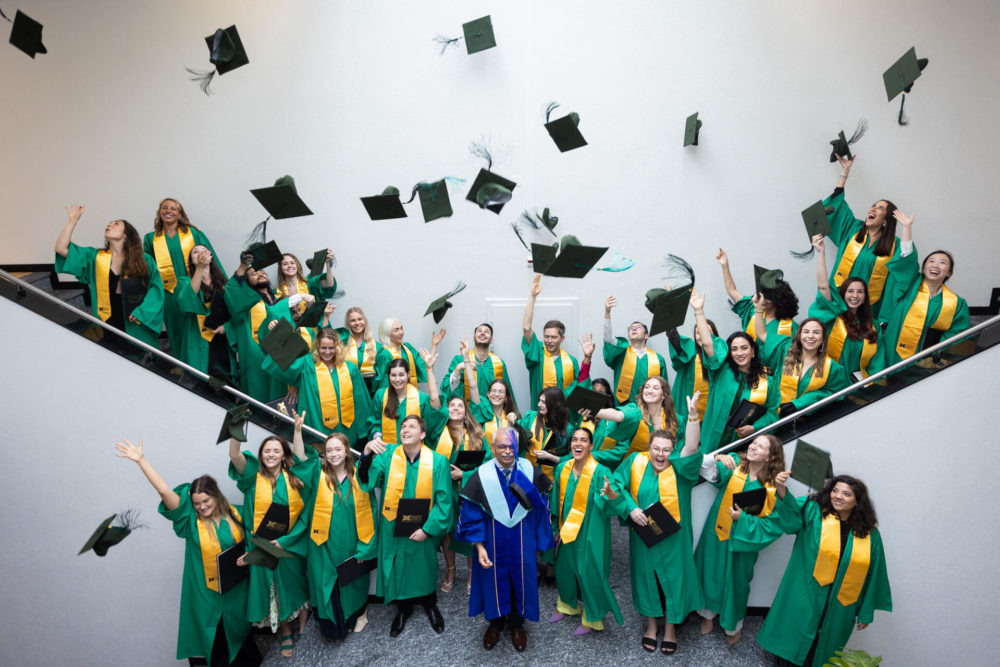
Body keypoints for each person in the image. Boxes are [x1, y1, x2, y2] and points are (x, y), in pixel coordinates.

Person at [115, 439, 261, 666]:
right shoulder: (191, 524)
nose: (202, 507)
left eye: (206, 500)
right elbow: (163, 490)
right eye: (196, 503)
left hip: (237, 592)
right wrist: (141, 460)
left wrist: (251, 557)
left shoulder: (237, 514)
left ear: (216, 495)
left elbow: (257, 543)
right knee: (214, 644)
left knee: (241, 641)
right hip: (206, 595)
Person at [757, 475, 892, 666]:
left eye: (846, 494)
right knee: (792, 649)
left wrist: (865, 612)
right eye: (835, 491)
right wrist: (780, 489)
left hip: (840, 605)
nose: (838, 496)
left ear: (857, 501)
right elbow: (791, 519)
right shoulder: (814, 512)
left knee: (821, 653)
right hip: (807, 594)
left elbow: (874, 574)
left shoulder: (870, 535)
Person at [613, 394, 704, 654]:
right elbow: (617, 485)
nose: (660, 454)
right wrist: (631, 509)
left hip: (673, 539)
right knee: (646, 580)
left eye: (666, 450)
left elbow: (692, 447)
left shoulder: (681, 470)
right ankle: (651, 626)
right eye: (656, 449)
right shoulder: (635, 462)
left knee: (674, 581)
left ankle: (672, 630)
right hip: (644, 537)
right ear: (649, 448)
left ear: (672, 451)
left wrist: (694, 416)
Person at [456, 426, 555, 652]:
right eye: (502, 446)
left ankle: (518, 625)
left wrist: (539, 544)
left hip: (523, 540)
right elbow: (471, 515)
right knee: (493, 581)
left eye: (511, 446)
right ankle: (496, 623)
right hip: (492, 542)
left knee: (522, 581)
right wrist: (479, 547)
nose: (507, 451)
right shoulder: (481, 476)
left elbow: (541, 511)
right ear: (492, 448)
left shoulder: (530, 471)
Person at [358, 415, 453, 636]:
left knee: (424, 568)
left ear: (422, 434)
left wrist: (427, 530)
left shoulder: (438, 461)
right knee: (398, 568)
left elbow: (444, 503)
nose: (405, 430)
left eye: (411, 427)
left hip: (423, 528)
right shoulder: (389, 455)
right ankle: (403, 609)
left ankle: (430, 605)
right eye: (403, 427)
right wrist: (366, 453)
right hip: (394, 529)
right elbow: (366, 477)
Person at [695, 434, 791, 646]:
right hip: (717, 533)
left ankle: (732, 625)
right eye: (753, 442)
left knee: (736, 584)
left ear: (770, 457)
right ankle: (707, 616)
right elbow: (700, 465)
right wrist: (718, 457)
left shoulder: (773, 487)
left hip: (743, 543)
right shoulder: (735, 466)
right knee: (710, 573)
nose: (753, 446)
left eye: (761, 446)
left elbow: (775, 525)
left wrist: (743, 520)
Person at [228, 429, 311, 658]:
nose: (271, 454)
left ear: (284, 455)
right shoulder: (253, 478)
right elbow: (235, 455)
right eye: (267, 451)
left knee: (295, 584)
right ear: (261, 455)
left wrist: (285, 541)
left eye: (276, 450)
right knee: (273, 587)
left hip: (289, 544)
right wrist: (235, 429)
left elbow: (305, 515)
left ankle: (303, 621)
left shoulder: (295, 478)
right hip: (262, 546)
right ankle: (285, 630)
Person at [300, 430, 377, 640]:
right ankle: (333, 627)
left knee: (352, 584)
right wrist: (298, 432)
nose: (333, 454)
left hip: (352, 543)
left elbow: (370, 511)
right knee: (327, 584)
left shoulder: (359, 477)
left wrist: (365, 547)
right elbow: (301, 459)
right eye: (329, 450)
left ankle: (356, 617)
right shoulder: (319, 474)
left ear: (346, 451)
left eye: (337, 449)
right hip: (323, 544)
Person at [548, 427, 626, 635]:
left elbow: (614, 505)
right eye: (574, 440)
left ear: (592, 446)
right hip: (566, 529)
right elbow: (556, 501)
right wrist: (555, 526)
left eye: (583, 440)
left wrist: (610, 493)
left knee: (589, 572)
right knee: (564, 569)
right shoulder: (562, 468)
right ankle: (567, 604)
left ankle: (592, 616)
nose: (578, 444)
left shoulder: (601, 472)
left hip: (591, 532)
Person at [54, 205, 164, 348]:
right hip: (106, 323)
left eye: (116, 224)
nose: (110, 225)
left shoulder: (144, 259)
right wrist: (72, 221)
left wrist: (142, 312)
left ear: (126, 234)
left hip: (134, 321)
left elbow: (156, 289)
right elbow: (61, 249)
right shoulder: (95, 257)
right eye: (109, 224)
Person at [692, 289, 780, 452]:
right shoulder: (720, 371)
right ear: (729, 353)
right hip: (713, 441)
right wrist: (698, 311)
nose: (740, 353)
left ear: (753, 351)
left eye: (744, 348)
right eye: (735, 349)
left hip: (745, 445)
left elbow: (773, 412)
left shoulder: (768, 381)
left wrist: (755, 428)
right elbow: (708, 343)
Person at [880, 210, 969, 367]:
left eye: (942, 262)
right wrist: (907, 228)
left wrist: (936, 358)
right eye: (931, 261)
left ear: (949, 272)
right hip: (891, 353)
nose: (935, 265)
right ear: (924, 266)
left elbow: (956, 335)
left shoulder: (956, 304)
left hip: (926, 364)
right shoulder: (908, 284)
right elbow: (906, 259)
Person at [822, 155, 906, 318]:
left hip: (869, 308)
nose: (872, 209)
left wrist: (907, 227)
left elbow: (901, 277)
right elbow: (835, 208)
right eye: (873, 206)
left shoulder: (894, 246)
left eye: (880, 208)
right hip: (838, 300)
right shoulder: (853, 229)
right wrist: (845, 172)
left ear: (886, 220)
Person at [261, 327, 373, 444]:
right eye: (323, 348)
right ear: (317, 347)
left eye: (331, 348)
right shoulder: (307, 365)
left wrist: (363, 431)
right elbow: (284, 366)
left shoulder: (350, 369)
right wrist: (279, 333)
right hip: (316, 426)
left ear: (338, 347)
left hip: (346, 430)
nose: (327, 352)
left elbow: (360, 401)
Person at [142, 198, 224, 355]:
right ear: (159, 212)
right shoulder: (150, 239)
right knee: (175, 328)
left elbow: (212, 260)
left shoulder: (193, 233)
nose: (168, 211)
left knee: (195, 328)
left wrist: (221, 286)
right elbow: (148, 268)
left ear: (180, 214)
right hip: (168, 292)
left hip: (195, 290)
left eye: (173, 208)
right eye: (164, 208)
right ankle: (180, 364)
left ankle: (199, 365)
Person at [434, 390, 489, 594]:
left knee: (469, 530)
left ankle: (471, 572)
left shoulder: (477, 434)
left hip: (468, 490)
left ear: (466, 412)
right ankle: (451, 569)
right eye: (451, 405)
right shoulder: (438, 433)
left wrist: (463, 475)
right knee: (447, 532)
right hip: (444, 490)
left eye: (460, 406)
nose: (455, 408)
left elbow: (488, 463)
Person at [808, 235, 885, 380]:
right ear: (842, 295)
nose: (855, 295)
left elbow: (877, 361)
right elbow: (823, 287)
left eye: (860, 292)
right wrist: (821, 253)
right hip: (829, 382)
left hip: (857, 385)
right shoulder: (833, 316)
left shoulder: (873, 325)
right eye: (850, 291)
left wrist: (875, 386)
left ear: (865, 298)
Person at [754, 304, 851, 418]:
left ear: (823, 338)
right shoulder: (785, 349)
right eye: (806, 332)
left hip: (807, 421)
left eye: (816, 332)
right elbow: (762, 334)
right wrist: (758, 309)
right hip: (772, 416)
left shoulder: (832, 368)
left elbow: (836, 393)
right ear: (799, 336)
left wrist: (802, 403)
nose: (810, 336)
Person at [223, 256, 287, 402]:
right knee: (258, 392)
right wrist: (243, 265)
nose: (260, 274)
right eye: (254, 274)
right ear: (247, 282)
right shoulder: (246, 300)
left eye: (262, 272)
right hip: (256, 352)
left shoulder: (279, 297)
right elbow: (232, 290)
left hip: (281, 353)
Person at [588, 376, 680, 469]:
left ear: (664, 395)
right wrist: (595, 411)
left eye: (655, 388)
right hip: (636, 471)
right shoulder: (636, 413)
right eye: (647, 387)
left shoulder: (676, 420)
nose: (649, 391)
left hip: (665, 472)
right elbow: (618, 415)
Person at [174, 245, 235, 375]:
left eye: (204, 250)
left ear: (210, 256)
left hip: (221, 337)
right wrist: (200, 268)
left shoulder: (224, 283)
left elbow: (235, 311)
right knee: (200, 377)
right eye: (195, 252)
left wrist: (227, 326)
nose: (200, 253)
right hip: (198, 336)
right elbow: (186, 302)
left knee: (223, 380)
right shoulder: (184, 281)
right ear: (191, 261)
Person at [521, 275, 579, 406]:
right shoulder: (538, 353)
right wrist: (532, 297)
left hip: (562, 415)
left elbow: (577, 386)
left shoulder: (571, 362)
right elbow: (526, 327)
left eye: (554, 337)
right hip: (539, 414)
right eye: (546, 336)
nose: (549, 341)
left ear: (562, 338)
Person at [717, 248, 799, 341]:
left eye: (767, 297)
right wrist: (725, 266)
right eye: (761, 295)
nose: (762, 300)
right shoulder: (752, 311)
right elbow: (732, 290)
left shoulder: (790, 326)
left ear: (778, 299)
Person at [601, 295, 667, 405]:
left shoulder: (657, 359)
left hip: (651, 409)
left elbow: (664, 389)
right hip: (625, 410)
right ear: (628, 336)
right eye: (631, 328)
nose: (634, 329)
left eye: (639, 327)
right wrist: (607, 312)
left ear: (646, 336)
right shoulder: (621, 353)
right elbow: (609, 339)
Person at [367, 356, 445, 448]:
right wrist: (377, 437)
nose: (397, 379)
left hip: (413, 453)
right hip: (386, 452)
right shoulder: (380, 396)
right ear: (389, 376)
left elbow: (432, 420)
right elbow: (374, 421)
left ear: (408, 375)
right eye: (393, 375)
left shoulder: (421, 399)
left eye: (401, 375)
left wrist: (429, 369)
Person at [442, 322, 517, 411]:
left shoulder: (499, 363)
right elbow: (448, 390)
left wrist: (512, 413)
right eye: (479, 331)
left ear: (491, 340)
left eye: (486, 332)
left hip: (491, 415)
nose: (482, 333)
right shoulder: (459, 360)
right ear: (474, 338)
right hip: (467, 415)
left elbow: (507, 393)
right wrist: (458, 369)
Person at [666, 317, 718, 424]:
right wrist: (667, 316)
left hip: (712, 415)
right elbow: (676, 341)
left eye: (707, 332)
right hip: (685, 412)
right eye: (699, 333)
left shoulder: (722, 357)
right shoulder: (689, 354)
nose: (703, 337)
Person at [519, 386, 572, 484]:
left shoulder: (568, 430)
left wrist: (550, 457)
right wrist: (513, 424)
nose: (539, 404)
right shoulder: (530, 418)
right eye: (539, 400)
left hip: (553, 482)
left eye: (543, 402)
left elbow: (572, 458)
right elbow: (516, 438)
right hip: (527, 477)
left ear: (556, 404)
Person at [374, 319, 444, 389]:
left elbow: (427, 365)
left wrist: (434, 345)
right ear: (387, 334)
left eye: (401, 328)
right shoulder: (384, 355)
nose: (401, 332)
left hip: (411, 395)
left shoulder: (407, 348)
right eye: (396, 330)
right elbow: (383, 383)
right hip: (392, 396)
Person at [273, 250, 336, 321]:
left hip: (312, 329)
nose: (289, 266)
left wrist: (328, 264)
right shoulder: (276, 293)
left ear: (297, 266)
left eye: (292, 263)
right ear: (281, 269)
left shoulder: (309, 283)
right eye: (285, 264)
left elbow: (329, 284)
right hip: (289, 329)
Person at [335, 307, 382, 394]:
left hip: (370, 391)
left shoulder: (377, 346)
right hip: (347, 389)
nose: (357, 323)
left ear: (365, 321)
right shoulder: (342, 344)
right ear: (348, 324)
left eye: (360, 319)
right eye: (353, 320)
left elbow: (380, 374)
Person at [478, 378, 520, 446]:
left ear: (506, 397)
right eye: (494, 391)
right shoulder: (481, 415)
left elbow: (515, 444)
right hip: (487, 456)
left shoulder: (514, 416)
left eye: (501, 392)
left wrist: (510, 423)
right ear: (488, 394)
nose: (497, 394)